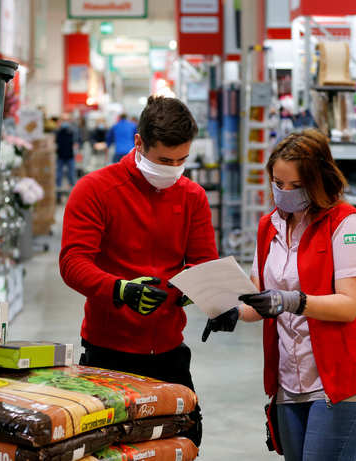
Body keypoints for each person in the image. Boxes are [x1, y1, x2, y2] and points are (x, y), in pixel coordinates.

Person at [202, 129, 356, 461]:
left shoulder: (347, 225)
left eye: (295, 185)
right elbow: (259, 298)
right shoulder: (270, 226)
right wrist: (231, 311)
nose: (285, 192)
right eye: (279, 183)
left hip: (343, 378)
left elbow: (350, 305)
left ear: (318, 180)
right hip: (291, 379)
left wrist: (291, 300)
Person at [60, 96, 231, 446]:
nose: (173, 169)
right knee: (113, 451)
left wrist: (200, 294)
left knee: (183, 445)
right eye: (164, 160)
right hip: (108, 354)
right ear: (138, 143)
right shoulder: (95, 190)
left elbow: (203, 261)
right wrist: (121, 290)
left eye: (182, 160)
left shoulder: (192, 196)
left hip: (169, 353)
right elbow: (73, 263)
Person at [55, 113, 78, 191]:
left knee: (71, 175)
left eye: (66, 120)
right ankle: (58, 194)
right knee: (58, 176)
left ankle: (74, 192)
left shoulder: (72, 131)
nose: (65, 122)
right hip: (60, 156)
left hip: (70, 156)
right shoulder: (58, 131)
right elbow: (55, 142)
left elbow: (76, 142)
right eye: (63, 120)